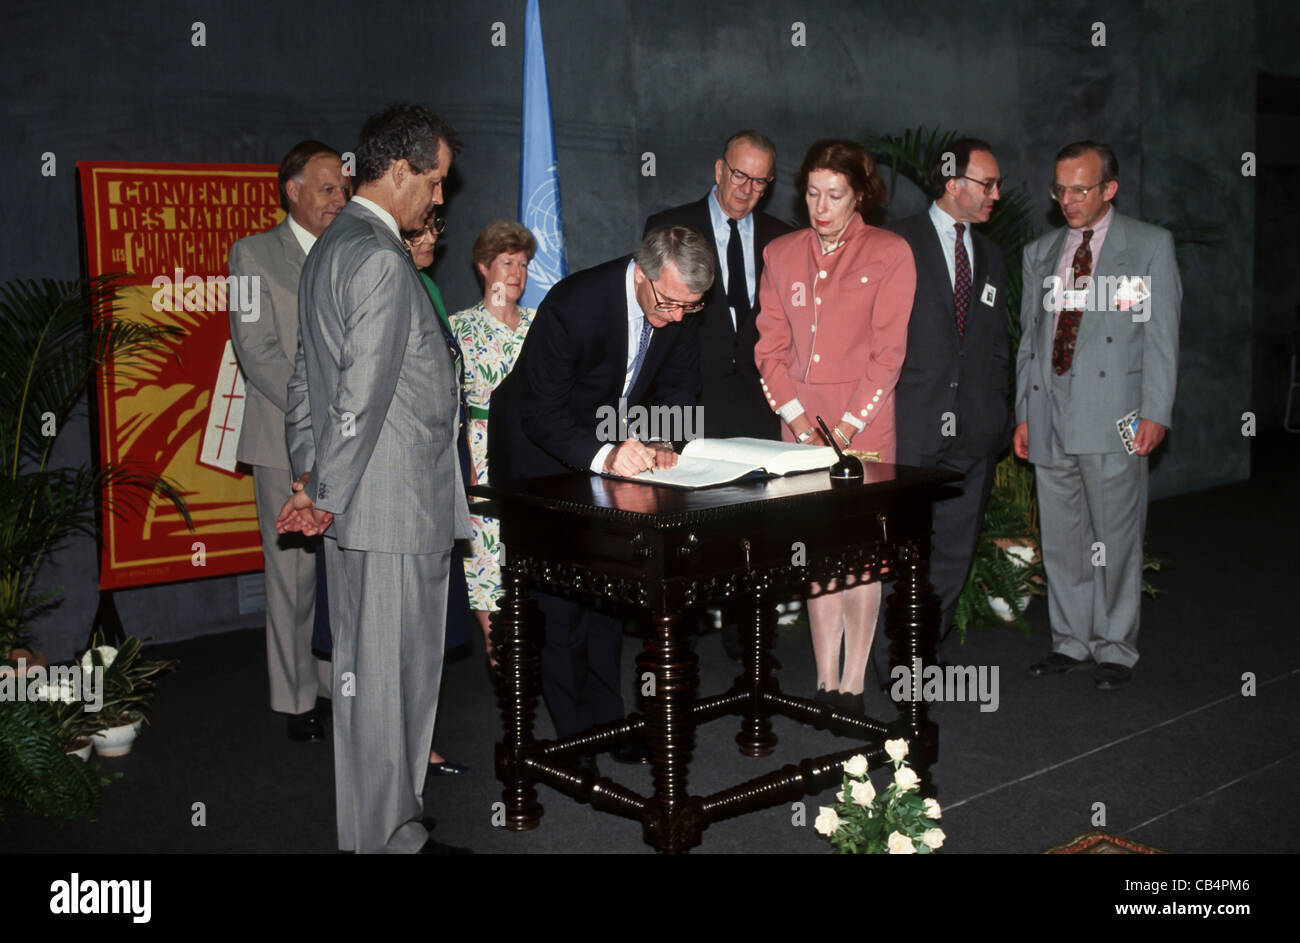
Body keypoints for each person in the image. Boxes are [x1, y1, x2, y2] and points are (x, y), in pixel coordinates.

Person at [277, 104, 471, 854]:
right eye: (434, 181)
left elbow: (305, 384)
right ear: (400, 171)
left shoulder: (331, 246)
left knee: (367, 692)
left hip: (358, 507)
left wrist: (308, 476)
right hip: (391, 511)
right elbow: (359, 397)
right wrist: (321, 493)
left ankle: (381, 834)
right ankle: (393, 841)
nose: (439, 199)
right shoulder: (384, 259)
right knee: (393, 690)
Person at [487, 226, 711, 773]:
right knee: (560, 600)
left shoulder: (676, 306)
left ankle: (611, 723)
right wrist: (605, 456)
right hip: (537, 450)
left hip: (609, 439)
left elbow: (680, 386)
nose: (679, 317)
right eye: (670, 303)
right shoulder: (575, 304)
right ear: (642, 273)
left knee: (607, 593)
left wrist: (662, 440)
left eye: (692, 306)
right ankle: (573, 743)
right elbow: (540, 412)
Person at [754, 139, 916, 713]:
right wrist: (797, 421)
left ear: (860, 194)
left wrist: (844, 429)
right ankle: (825, 683)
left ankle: (853, 686)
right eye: (813, 193)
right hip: (798, 426)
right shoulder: (780, 252)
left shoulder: (890, 251)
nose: (821, 206)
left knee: (861, 557)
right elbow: (769, 348)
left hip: (863, 427)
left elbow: (889, 354)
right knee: (820, 554)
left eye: (835, 195)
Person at [1016, 140, 1181, 691]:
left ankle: (1116, 647)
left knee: (1113, 536)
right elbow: (1029, 344)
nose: (1068, 199)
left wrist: (1155, 411)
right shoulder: (1040, 252)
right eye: (1060, 188)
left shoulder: (1149, 247)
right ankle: (1071, 639)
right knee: (1062, 538)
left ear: (1109, 189)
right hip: (1051, 411)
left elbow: (1162, 341)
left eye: (1080, 189)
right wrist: (1024, 413)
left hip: (1115, 415)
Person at [643, 130, 794, 660]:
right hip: (691, 397)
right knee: (685, 520)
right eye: (739, 175)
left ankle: (750, 640)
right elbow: (655, 326)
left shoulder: (783, 236)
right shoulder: (669, 226)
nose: (746, 188)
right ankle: (674, 641)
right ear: (718, 169)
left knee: (756, 524)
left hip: (758, 401)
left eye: (760, 180)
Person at [871, 139, 1012, 684]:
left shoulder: (993, 255)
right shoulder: (895, 242)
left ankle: (924, 655)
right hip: (909, 428)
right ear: (952, 182)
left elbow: (995, 345)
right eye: (988, 184)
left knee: (954, 550)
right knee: (900, 553)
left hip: (974, 432)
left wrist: (997, 414)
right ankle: (892, 660)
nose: (996, 195)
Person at [228, 140, 345, 743]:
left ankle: (334, 686)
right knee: (294, 577)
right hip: (281, 440)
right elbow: (255, 350)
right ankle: (297, 700)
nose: (338, 198)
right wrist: (319, 409)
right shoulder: (251, 255)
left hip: (347, 442)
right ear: (291, 191)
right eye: (325, 187)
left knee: (337, 576)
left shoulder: (350, 251)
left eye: (343, 188)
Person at [403, 208, 472, 776]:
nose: (430, 239)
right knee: (397, 635)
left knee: (429, 628)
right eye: (420, 231)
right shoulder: (387, 283)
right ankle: (400, 752)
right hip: (400, 485)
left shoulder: (426, 285)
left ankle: (419, 740)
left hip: (441, 466)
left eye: (435, 230)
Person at [448, 221, 538, 664]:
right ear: (484, 266)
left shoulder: (541, 327)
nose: (518, 273)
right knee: (485, 553)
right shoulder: (457, 329)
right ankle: (496, 650)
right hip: (478, 456)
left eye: (523, 263)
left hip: (533, 452)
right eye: (508, 262)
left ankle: (532, 645)